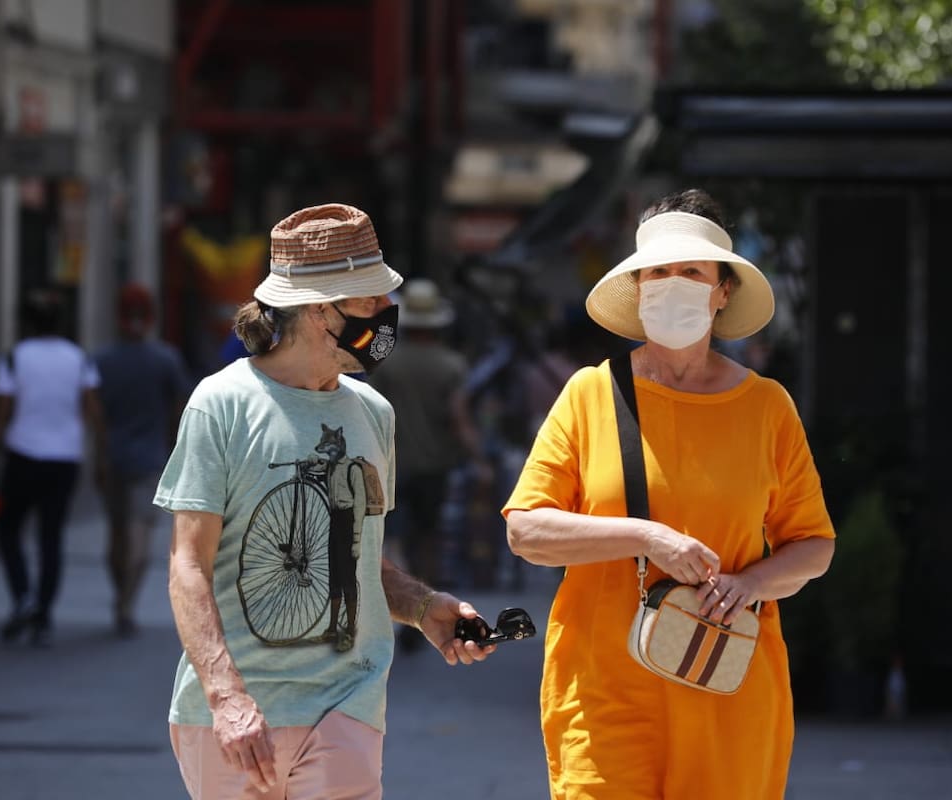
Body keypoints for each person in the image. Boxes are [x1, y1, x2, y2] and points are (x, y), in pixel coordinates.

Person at [503, 188, 836, 799]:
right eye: (658, 272)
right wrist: (645, 536)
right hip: (602, 696)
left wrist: (752, 584)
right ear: (638, 288)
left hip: (724, 689)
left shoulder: (766, 407)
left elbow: (813, 544)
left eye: (691, 271)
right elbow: (526, 530)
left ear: (722, 291)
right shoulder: (590, 393)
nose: (673, 284)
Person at [155, 203, 496, 799]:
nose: (386, 316)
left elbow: (357, 555)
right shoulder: (222, 402)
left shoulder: (372, 413)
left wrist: (423, 607)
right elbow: (188, 564)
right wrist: (226, 695)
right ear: (318, 311)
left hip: (348, 701)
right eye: (370, 302)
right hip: (234, 717)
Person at [0, 288, 106, 647]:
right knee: (51, 536)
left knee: (8, 529)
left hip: (22, 454)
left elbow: (1, 412)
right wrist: (101, 458)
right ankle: (43, 613)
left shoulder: (14, 358)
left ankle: (22, 597)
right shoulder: (78, 358)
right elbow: (94, 409)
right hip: (64, 458)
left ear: (27, 323)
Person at [368, 278, 489, 649]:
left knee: (387, 538)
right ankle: (419, 610)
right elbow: (459, 418)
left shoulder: (385, 361)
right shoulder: (452, 365)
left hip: (390, 464)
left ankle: (386, 608)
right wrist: (479, 457)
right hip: (434, 465)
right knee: (428, 537)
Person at [94, 282, 194, 637]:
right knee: (138, 534)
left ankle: (119, 597)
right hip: (150, 457)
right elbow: (180, 405)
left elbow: (95, 414)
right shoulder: (165, 359)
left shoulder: (102, 360)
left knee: (116, 535)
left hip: (112, 457)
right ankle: (126, 602)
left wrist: (98, 455)